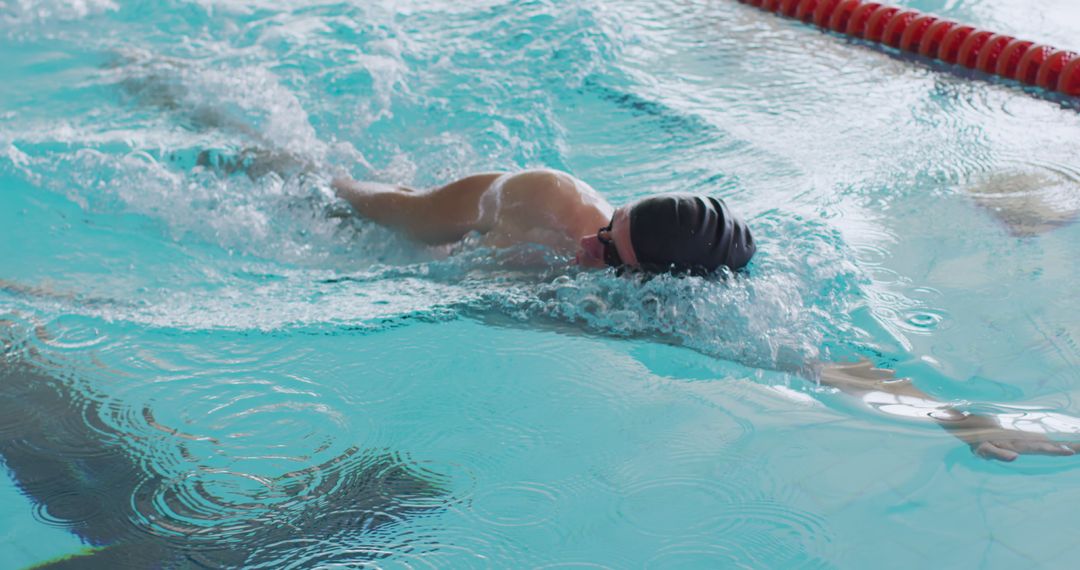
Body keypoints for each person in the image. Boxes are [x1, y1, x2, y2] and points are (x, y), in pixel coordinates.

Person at [332, 169, 1080, 462]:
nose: (590, 248)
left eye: (611, 253)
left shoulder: (685, 314)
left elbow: (827, 367)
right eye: (609, 227)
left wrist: (963, 420)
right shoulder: (544, 204)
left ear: (662, 285)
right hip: (473, 218)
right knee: (359, 203)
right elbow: (448, 268)